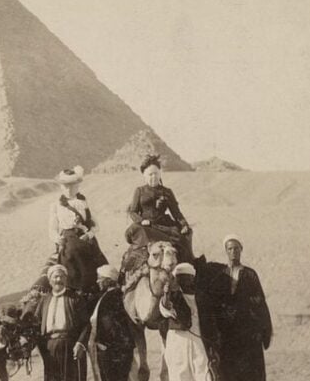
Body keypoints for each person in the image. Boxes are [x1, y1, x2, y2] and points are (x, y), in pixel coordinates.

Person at [34, 166, 108, 294]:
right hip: (68, 240)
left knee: (103, 267)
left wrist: (89, 235)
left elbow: (96, 225)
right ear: (61, 187)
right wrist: (58, 239)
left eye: (72, 185)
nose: (69, 189)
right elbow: (52, 229)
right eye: (65, 186)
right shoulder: (56, 206)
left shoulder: (83, 203)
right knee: (71, 254)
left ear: (77, 186)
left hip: (86, 238)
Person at [218, 235, 272, 381]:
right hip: (227, 332)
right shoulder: (220, 274)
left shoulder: (250, 274)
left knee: (251, 372)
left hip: (248, 332)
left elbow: (260, 301)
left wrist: (264, 330)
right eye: (230, 248)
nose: (233, 251)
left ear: (241, 250)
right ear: (226, 251)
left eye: (236, 248)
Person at [124, 155, 193, 265]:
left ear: (160, 174)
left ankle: (187, 268)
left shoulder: (167, 192)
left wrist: (184, 224)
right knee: (141, 232)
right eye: (150, 174)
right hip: (146, 225)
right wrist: (141, 220)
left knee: (183, 237)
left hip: (164, 226)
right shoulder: (139, 191)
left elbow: (176, 212)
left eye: (156, 173)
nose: (153, 177)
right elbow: (133, 211)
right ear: (145, 176)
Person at [34, 265, 90, 381]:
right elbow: (36, 323)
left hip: (70, 345)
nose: (58, 280)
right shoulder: (44, 300)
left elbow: (86, 324)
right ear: (50, 281)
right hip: (50, 347)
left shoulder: (75, 298)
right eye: (55, 277)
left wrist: (80, 343)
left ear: (66, 279)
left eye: (61, 277)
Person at [159, 263, 212, 381]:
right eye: (180, 278)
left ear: (192, 279)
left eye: (186, 278)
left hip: (198, 342)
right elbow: (165, 307)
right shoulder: (173, 297)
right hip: (178, 343)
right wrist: (167, 293)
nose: (183, 282)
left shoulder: (202, 298)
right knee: (179, 376)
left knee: (203, 375)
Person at [84, 265, 135, 381]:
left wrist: (105, 344)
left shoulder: (112, 297)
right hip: (115, 350)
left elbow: (112, 325)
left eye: (99, 278)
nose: (97, 281)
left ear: (108, 280)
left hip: (113, 352)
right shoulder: (111, 296)